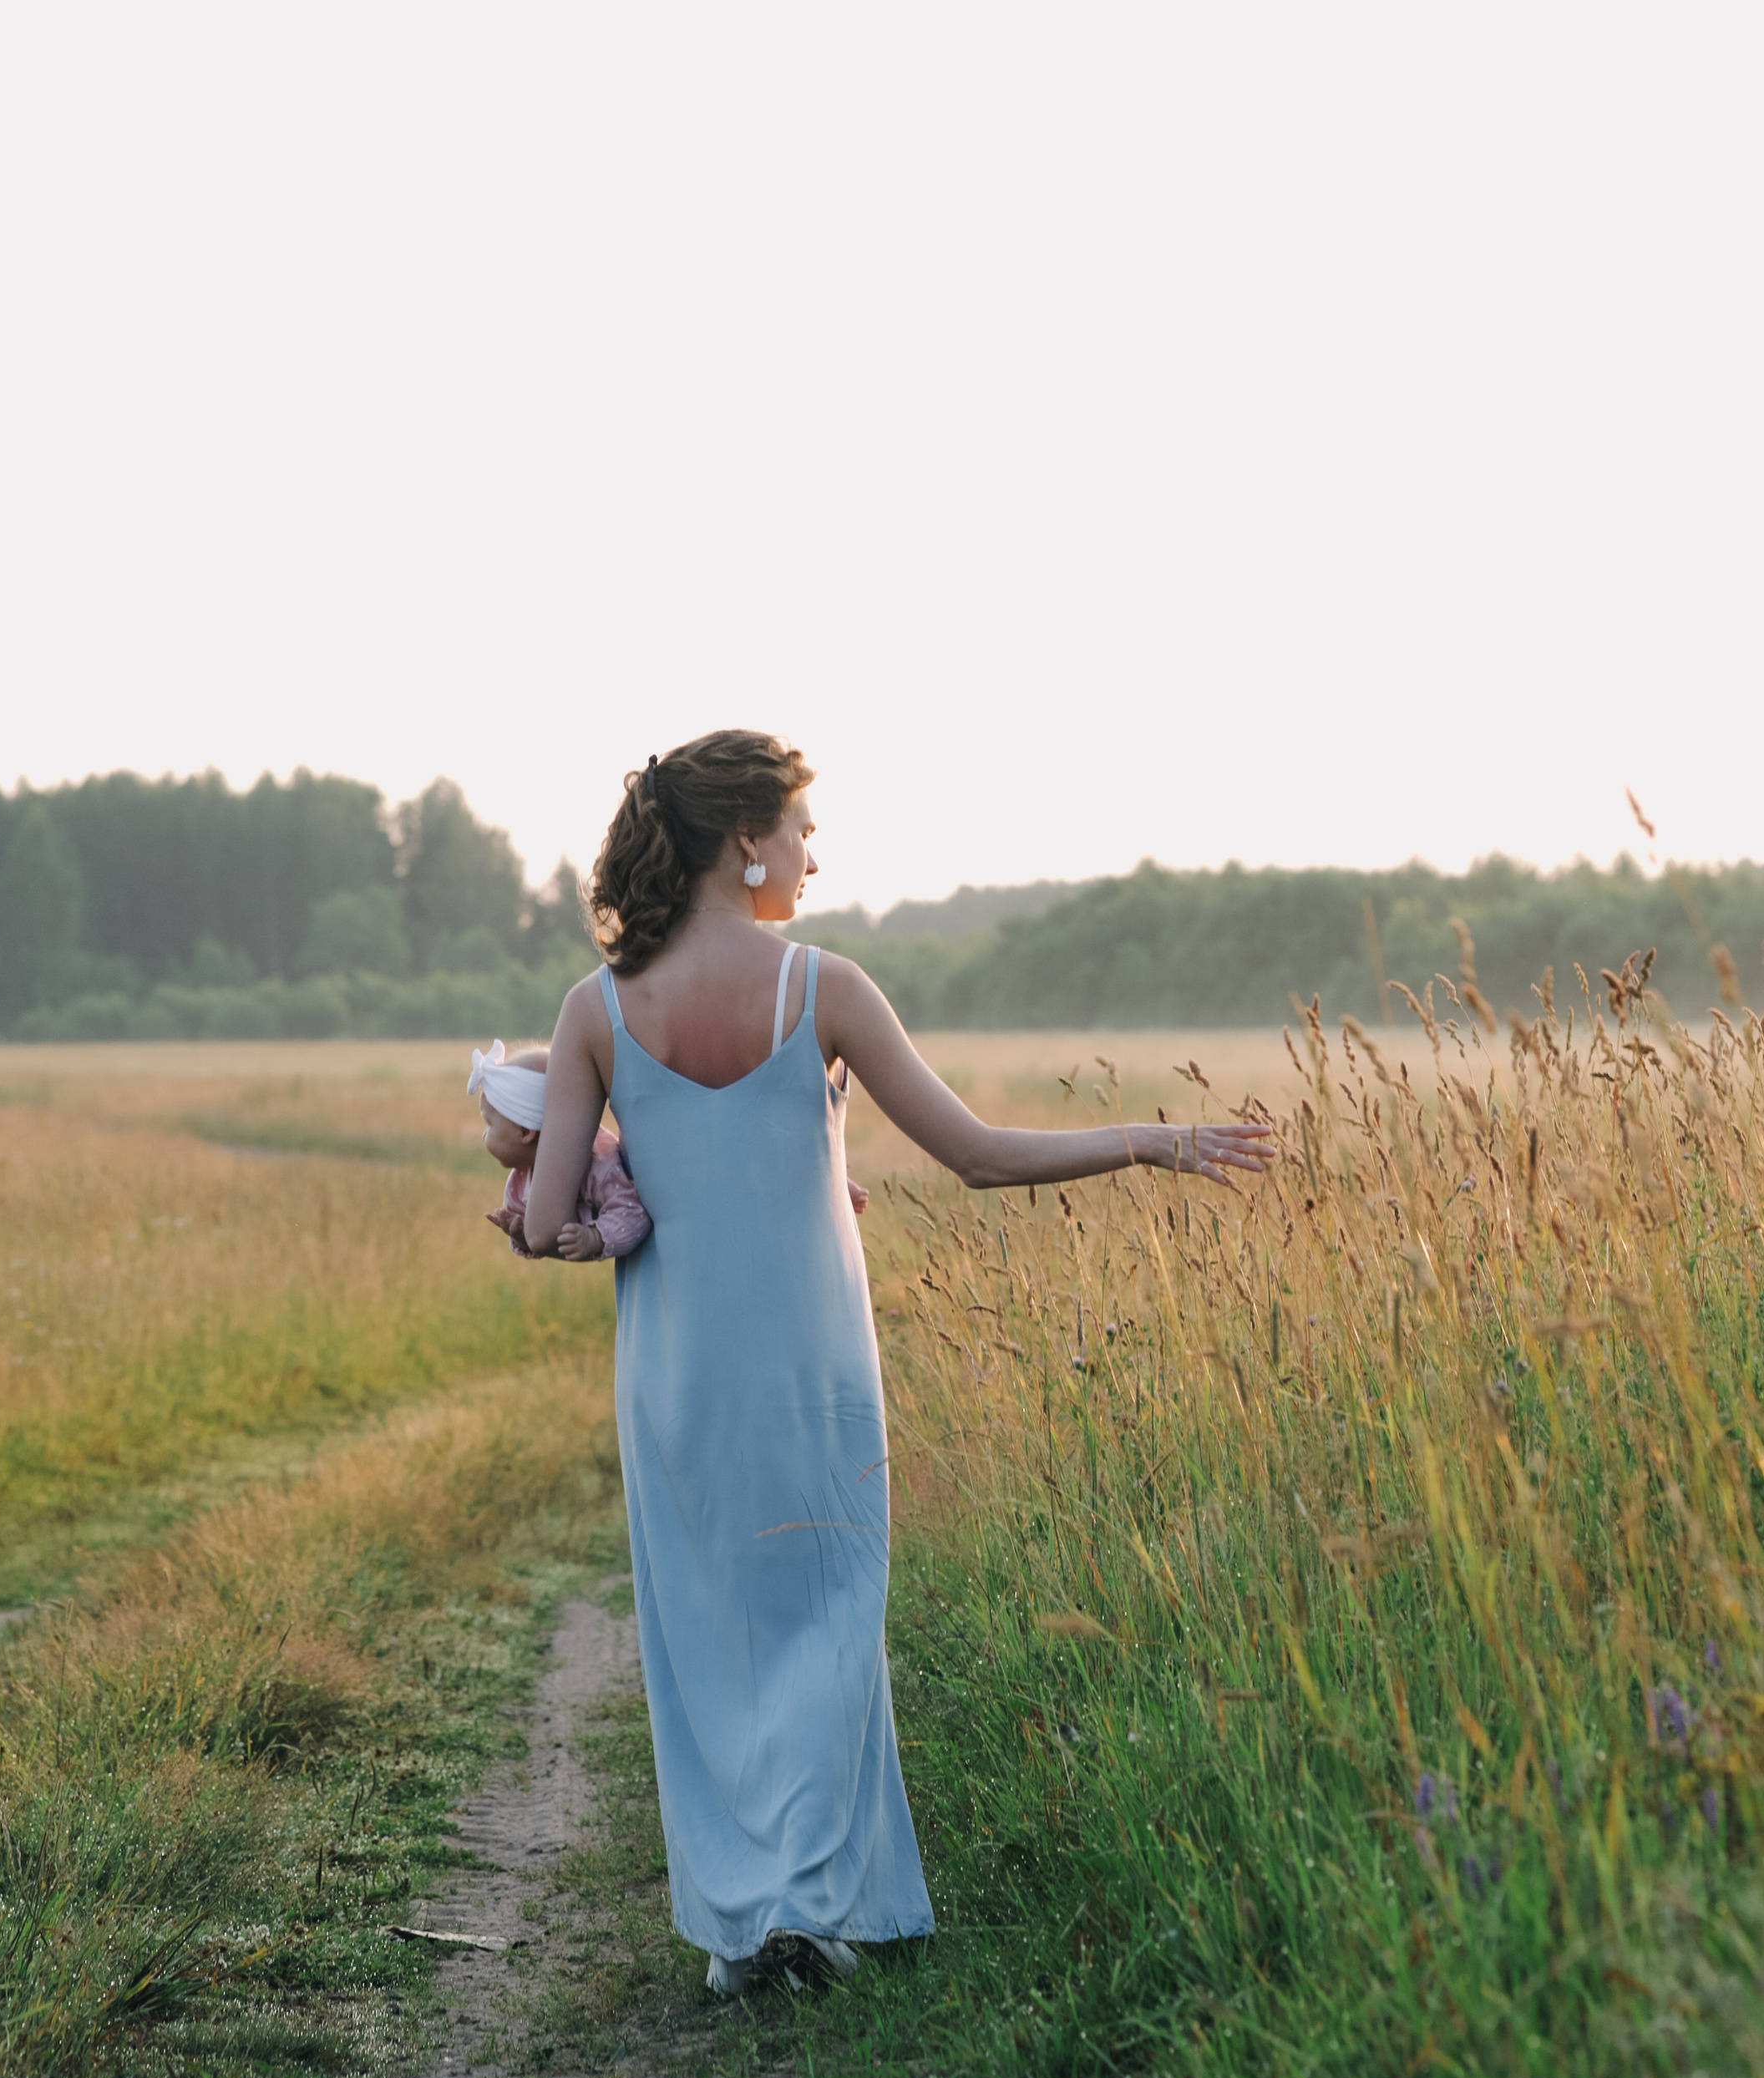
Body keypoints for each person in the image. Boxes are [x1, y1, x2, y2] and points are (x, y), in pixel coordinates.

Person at [521, 731, 1273, 1996]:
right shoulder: (824, 986)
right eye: (804, 828)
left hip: (678, 1377)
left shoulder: (596, 1007)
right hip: (812, 1367)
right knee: (826, 1617)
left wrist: (612, 1181)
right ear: (746, 839)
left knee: (709, 1631)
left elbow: (549, 1225)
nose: (815, 853)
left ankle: (744, 1922)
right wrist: (1154, 1138)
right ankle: (808, 1910)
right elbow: (976, 1154)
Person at [468, 1040, 651, 1263]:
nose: (484, 1135)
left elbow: (634, 1214)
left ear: (525, 1132)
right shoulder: (520, 1180)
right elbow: (542, 1239)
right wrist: (521, 1236)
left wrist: (595, 1237)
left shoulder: (599, 1164)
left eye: (489, 1124)